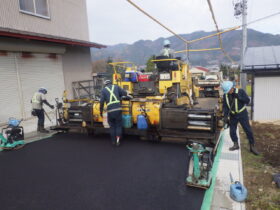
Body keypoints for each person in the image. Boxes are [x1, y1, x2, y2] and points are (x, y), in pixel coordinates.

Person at [221, 81, 259, 155]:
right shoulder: (225, 95)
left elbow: (247, 101)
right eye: (227, 91)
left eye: (229, 90)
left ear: (232, 87)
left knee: (248, 130)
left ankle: (252, 146)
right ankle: (236, 144)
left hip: (242, 114)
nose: (229, 92)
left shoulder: (240, 91)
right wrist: (225, 116)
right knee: (232, 131)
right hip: (233, 115)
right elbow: (225, 106)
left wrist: (239, 97)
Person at [100, 80, 131, 146]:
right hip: (118, 109)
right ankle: (118, 140)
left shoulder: (103, 90)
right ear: (111, 83)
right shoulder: (116, 87)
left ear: (105, 85)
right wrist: (120, 96)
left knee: (112, 126)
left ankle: (113, 141)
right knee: (118, 125)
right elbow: (125, 93)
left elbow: (101, 101)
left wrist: (101, 111)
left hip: (110, 110)